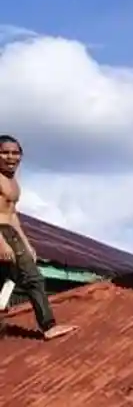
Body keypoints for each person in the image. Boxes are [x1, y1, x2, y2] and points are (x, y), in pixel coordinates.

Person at [0, 135, 77, 340]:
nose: (10, 157)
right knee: (33, 278)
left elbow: (12, 215)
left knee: (7, 276)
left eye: (15, 153)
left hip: (10, 231)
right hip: (1, 232)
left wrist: (26, 243)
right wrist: (1, 242)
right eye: (5, 152)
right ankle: (48, 326)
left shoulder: (13, 182)